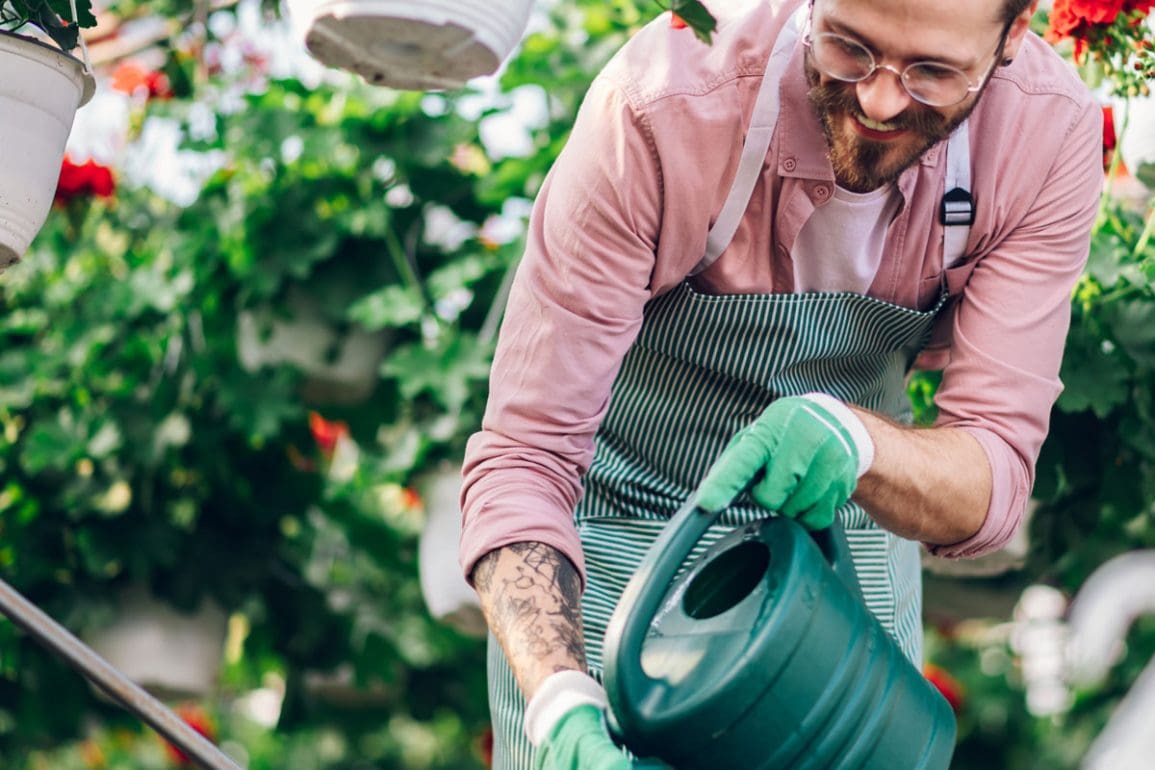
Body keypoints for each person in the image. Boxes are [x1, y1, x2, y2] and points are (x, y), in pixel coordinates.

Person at [459, 0, 1102, 766]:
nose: (879, 100)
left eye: (932, 72)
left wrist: (857, 442)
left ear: (1014, 32)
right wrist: (560, 702)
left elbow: (991, 482)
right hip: (609, 550)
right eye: (849, 48)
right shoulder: (660, 104)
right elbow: (522, 459)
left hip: (835, 554)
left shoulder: (1042, 134)